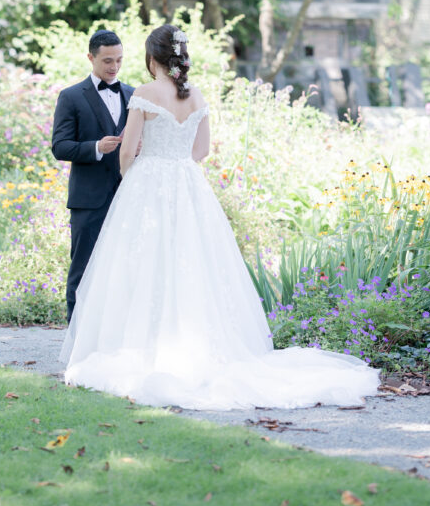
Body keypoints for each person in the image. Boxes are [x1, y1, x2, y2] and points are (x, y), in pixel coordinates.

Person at [60, 24, 381, 410]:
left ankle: (142, 344)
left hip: (149, 184)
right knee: (193, 266)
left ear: (151, 59)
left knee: (143, 265)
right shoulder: (196, 96)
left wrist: (138, 178)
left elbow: (127, 154)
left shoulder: (144, 94)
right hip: (189, 187)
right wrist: (176, 166)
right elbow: (202, 151)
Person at [52, 29, 134, 322]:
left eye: (119, 60)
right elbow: (60, 147)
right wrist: (96, 148)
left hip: (130, 196)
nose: (114, 67)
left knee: (127, 269)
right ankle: (75, 338)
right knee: (83, 270)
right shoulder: (71, 96)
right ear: (91, 58)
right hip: (88, 200)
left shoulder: (133, 95)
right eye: (107, 61)